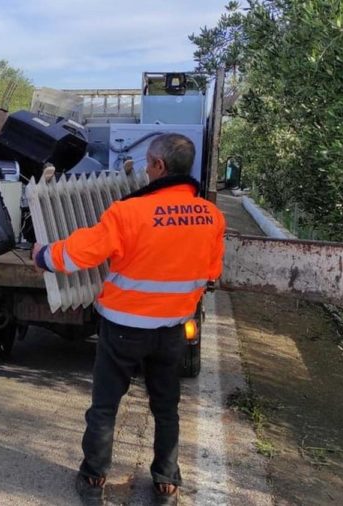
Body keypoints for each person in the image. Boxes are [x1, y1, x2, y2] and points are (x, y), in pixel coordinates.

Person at [32, 133, 226, 505]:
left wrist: (44, 255)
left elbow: (80, 254)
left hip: (123, 329)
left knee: (105, 405)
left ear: (158, 166)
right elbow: (212, 271)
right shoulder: (211, 216)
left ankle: (93, 479)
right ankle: (166, 479)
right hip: (172, 330)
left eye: (148, 162)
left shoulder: (129, 212)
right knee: (166, 406)